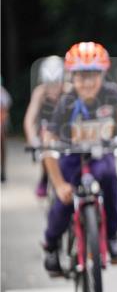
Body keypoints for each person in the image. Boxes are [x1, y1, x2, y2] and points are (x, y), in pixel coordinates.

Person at [40, 42, 117, 275]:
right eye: (81, 77)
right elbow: (47, 140)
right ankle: (51, 245)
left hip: (101, 154)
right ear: (72, 77)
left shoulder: (111, 93)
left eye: (93, 76)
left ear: (103, 75)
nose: (88, 83)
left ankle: (112, 237)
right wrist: (59, 183)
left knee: (111, 179)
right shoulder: (66, 102)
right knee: (63, 201)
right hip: (71, 157)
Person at [23, 56, 69, 197]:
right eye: (49, 84)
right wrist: (33, 140)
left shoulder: (69, 91)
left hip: (65, 128)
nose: (53, 89)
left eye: (56, 84)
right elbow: (29, 120)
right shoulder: (39, 93)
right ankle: (45, 177)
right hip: (47, 130)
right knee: (44, 141)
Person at [0, 78, 10, 183]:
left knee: (2, 145)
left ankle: (2, 170)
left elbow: (5, 108)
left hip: (1, 121)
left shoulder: (2, 92)